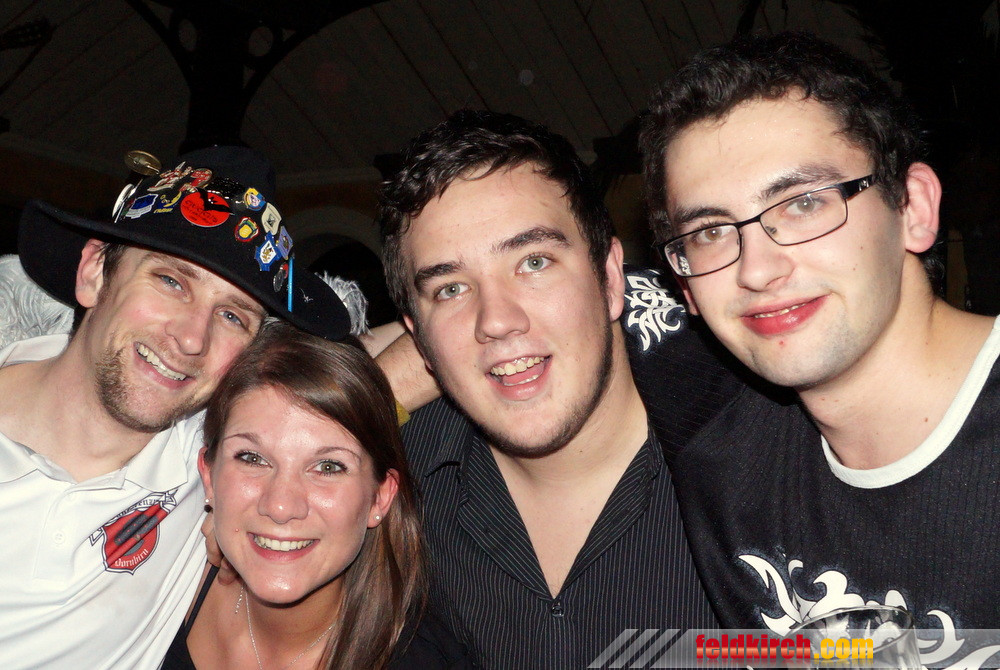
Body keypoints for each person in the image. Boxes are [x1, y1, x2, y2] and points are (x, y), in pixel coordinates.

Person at [639, 31, 1000, 663]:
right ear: (685, 287)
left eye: (803, 203)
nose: (757, 268)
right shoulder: (725, 476)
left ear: (913, 208)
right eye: (711, 232)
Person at [376, 109, 719, 669]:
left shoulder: (756, 467)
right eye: (451, 288)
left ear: (610, 278)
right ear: (418, 338)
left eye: (534, 262)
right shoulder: (392, 489)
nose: (496, 319)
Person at [0, 145, 354, 669]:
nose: (192, 339)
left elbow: (379, 386)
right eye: (171, 282)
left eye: (233, 316)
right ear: (94, 271)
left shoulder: (221, 468)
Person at [162, 321, 422, 670]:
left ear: (380, 497)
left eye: (328, 467)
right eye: (252, 459)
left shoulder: (428, 657)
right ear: (209, 476)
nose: (281, 506)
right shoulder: (163, 577)